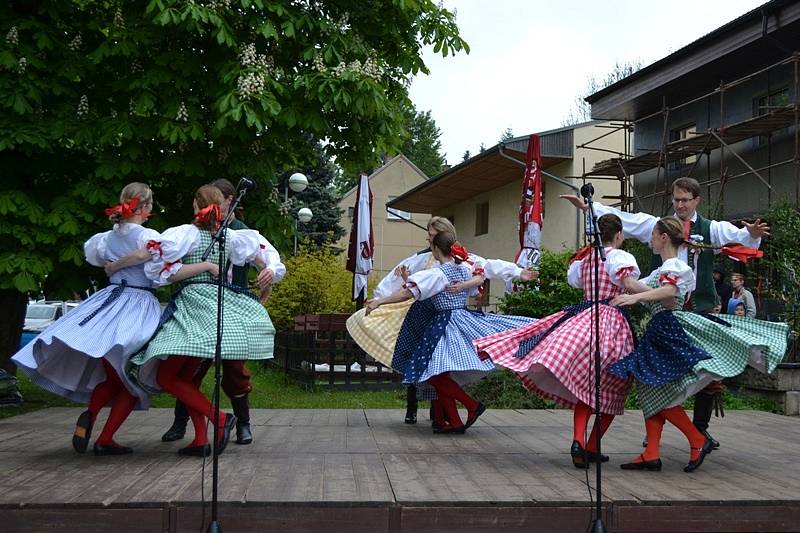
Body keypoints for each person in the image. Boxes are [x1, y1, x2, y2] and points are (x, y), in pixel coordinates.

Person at [561, 177, 770, 448]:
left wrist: (751, 233)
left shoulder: (711, 228)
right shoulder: (657, 226)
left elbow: (739, 238)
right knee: (657, 377)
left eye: (685, 200)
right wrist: (590, 208)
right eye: (676, 199)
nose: (680, 204)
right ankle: (657, 441)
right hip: (664, 312)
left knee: (706, 371)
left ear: (696, 200)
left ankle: (699, 430)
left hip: (698, 306)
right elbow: (626, 220)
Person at [608, 217, 789, 473]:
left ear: (663, 238)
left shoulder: (675, 265)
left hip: (668, 330)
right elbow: (646, 287)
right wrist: (620, 270)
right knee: (651, 388)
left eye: (653, 234)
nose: (649, 238)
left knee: (658, 391)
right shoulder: (663, 269)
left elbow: (669, 294)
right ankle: (652, 452)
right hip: (660, 331)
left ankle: (695, 439)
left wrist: (635, 295)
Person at [475, 214, 639, 468]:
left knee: (587, 387)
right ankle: (592, 445)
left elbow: (575, 282)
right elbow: (628, 284)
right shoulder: (619, 258)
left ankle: (578, 442)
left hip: (584, 318)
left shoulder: (584, 260)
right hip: (612, 322)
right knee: (614, 386)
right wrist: (653, 292)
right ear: (618, 235)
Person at [12, 183, 161, 455]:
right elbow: (153, 261)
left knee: (115, 375)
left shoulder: (106, 238)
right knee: (131, 378)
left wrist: (115, 266)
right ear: (146, 207)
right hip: (138, 304)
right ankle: (105, 438)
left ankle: (91, 415)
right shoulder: (148, 235)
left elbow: (98, 259)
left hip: (109, 303)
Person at [129, 185, 275, 457]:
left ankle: (220, 419)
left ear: (196, 206)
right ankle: (200, 439)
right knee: (187, 378)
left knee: (166, 375)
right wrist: (268, 272)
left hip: (193, 309)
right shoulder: (232, 237)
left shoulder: (188, 234)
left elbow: (167, 275)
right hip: (218, 311)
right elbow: (263, 256)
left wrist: (204, 267)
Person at [347, 217, 527, 425]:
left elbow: (412, 291)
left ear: (437, 244)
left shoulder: (441, 271)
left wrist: (380, 301)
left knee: (431, 369)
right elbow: (481, 273)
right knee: (437, 369)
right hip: (437, 319)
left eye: (431, 237)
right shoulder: (458, 265)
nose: (428, 239)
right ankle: (445, 419)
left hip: (443, 322)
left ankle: (464, 408)